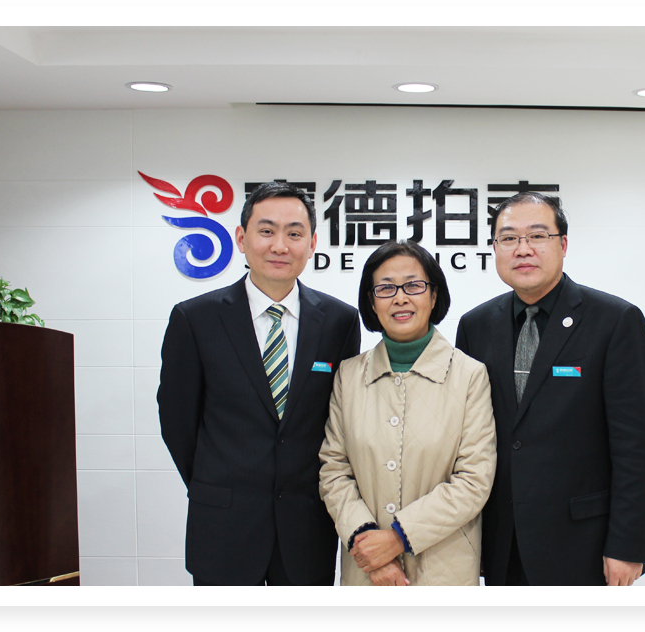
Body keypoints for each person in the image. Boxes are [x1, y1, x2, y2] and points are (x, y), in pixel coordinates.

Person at [158, 182, 361, 585]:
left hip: (306, 527)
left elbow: (339, 420)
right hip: (223, 526)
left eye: (294, 233)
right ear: (241, 238)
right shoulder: (195, 319)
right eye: (266, 231)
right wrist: (218, 485)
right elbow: (177, 423)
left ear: (312, 243)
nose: (279, 246)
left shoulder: (339, 321)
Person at [455, 192, 645, 586]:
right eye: (509, 238)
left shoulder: (615, 321)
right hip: (502, 541)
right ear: (495, 248)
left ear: (563, 244)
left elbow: (638, 446)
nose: (523, 249)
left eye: (538, 236)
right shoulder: (476, 325)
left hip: (582, 542)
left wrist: (629, 544)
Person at [319, 241, 496, 586]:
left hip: (444, 568)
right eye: (385, 288)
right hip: (367, 567)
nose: (400, 298)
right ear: (371, 302)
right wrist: (368, 543)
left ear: (434, 295)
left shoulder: (470, 375)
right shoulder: (348, 375)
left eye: (413, 285)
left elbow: (474, 479)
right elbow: (333, 469)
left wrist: (398, 538)